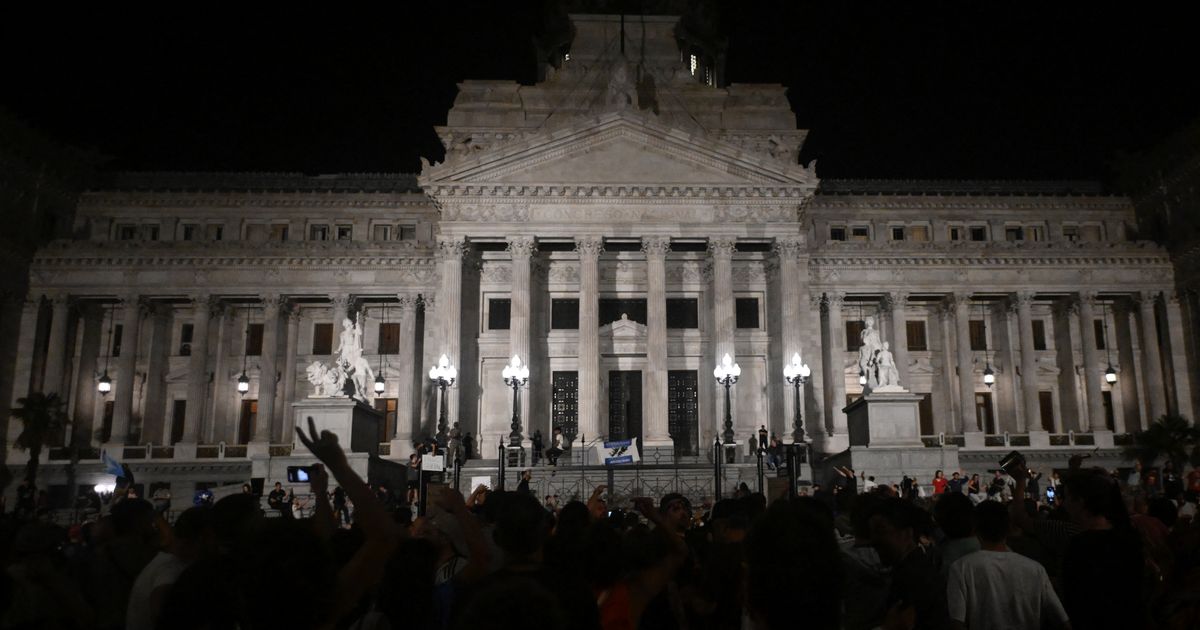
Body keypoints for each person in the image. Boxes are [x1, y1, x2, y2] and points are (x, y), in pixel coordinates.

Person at [946, 501, 1069, 630]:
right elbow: (1061, 619)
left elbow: (957, 622)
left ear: (975, 529)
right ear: (1009, 528)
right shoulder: (1036, 569)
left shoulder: (961, 567)